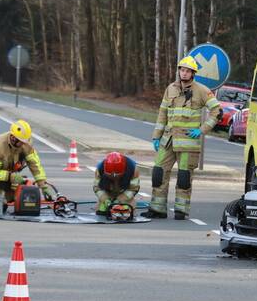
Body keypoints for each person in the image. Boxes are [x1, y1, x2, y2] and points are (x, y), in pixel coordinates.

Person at [149, 56, 221, 220]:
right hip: (168, 140)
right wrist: (156, 136)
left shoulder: (202, 90)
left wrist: (202, 130)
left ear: (193, 73)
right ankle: (157, 209)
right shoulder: (170, 89)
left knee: (184, 178)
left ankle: (181, 210)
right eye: (182, 70)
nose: (184, 73)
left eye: (188, 71)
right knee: (158, 173)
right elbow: (162, 113)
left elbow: (217, 111)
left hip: (188, 143)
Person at [0, 120, 55, 207]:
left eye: (25, 142)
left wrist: (43, 185)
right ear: (13, 138)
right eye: (21, 142)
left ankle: (7, 195)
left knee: (13, 198)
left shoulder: (26, 144)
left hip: (9, 173)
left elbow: (35, 164)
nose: (23, 144)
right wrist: (12, 177)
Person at [94, 152, 140, 217]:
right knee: (101, 211)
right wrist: (105, 199)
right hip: (107, 193)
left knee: (125, 212)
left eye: (117, 176)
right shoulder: (100, 169)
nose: (114, 177)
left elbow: (133, 189)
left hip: (124, 193)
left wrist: (120, 200)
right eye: (110, 176)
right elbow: (97, 188)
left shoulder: (133, 169)